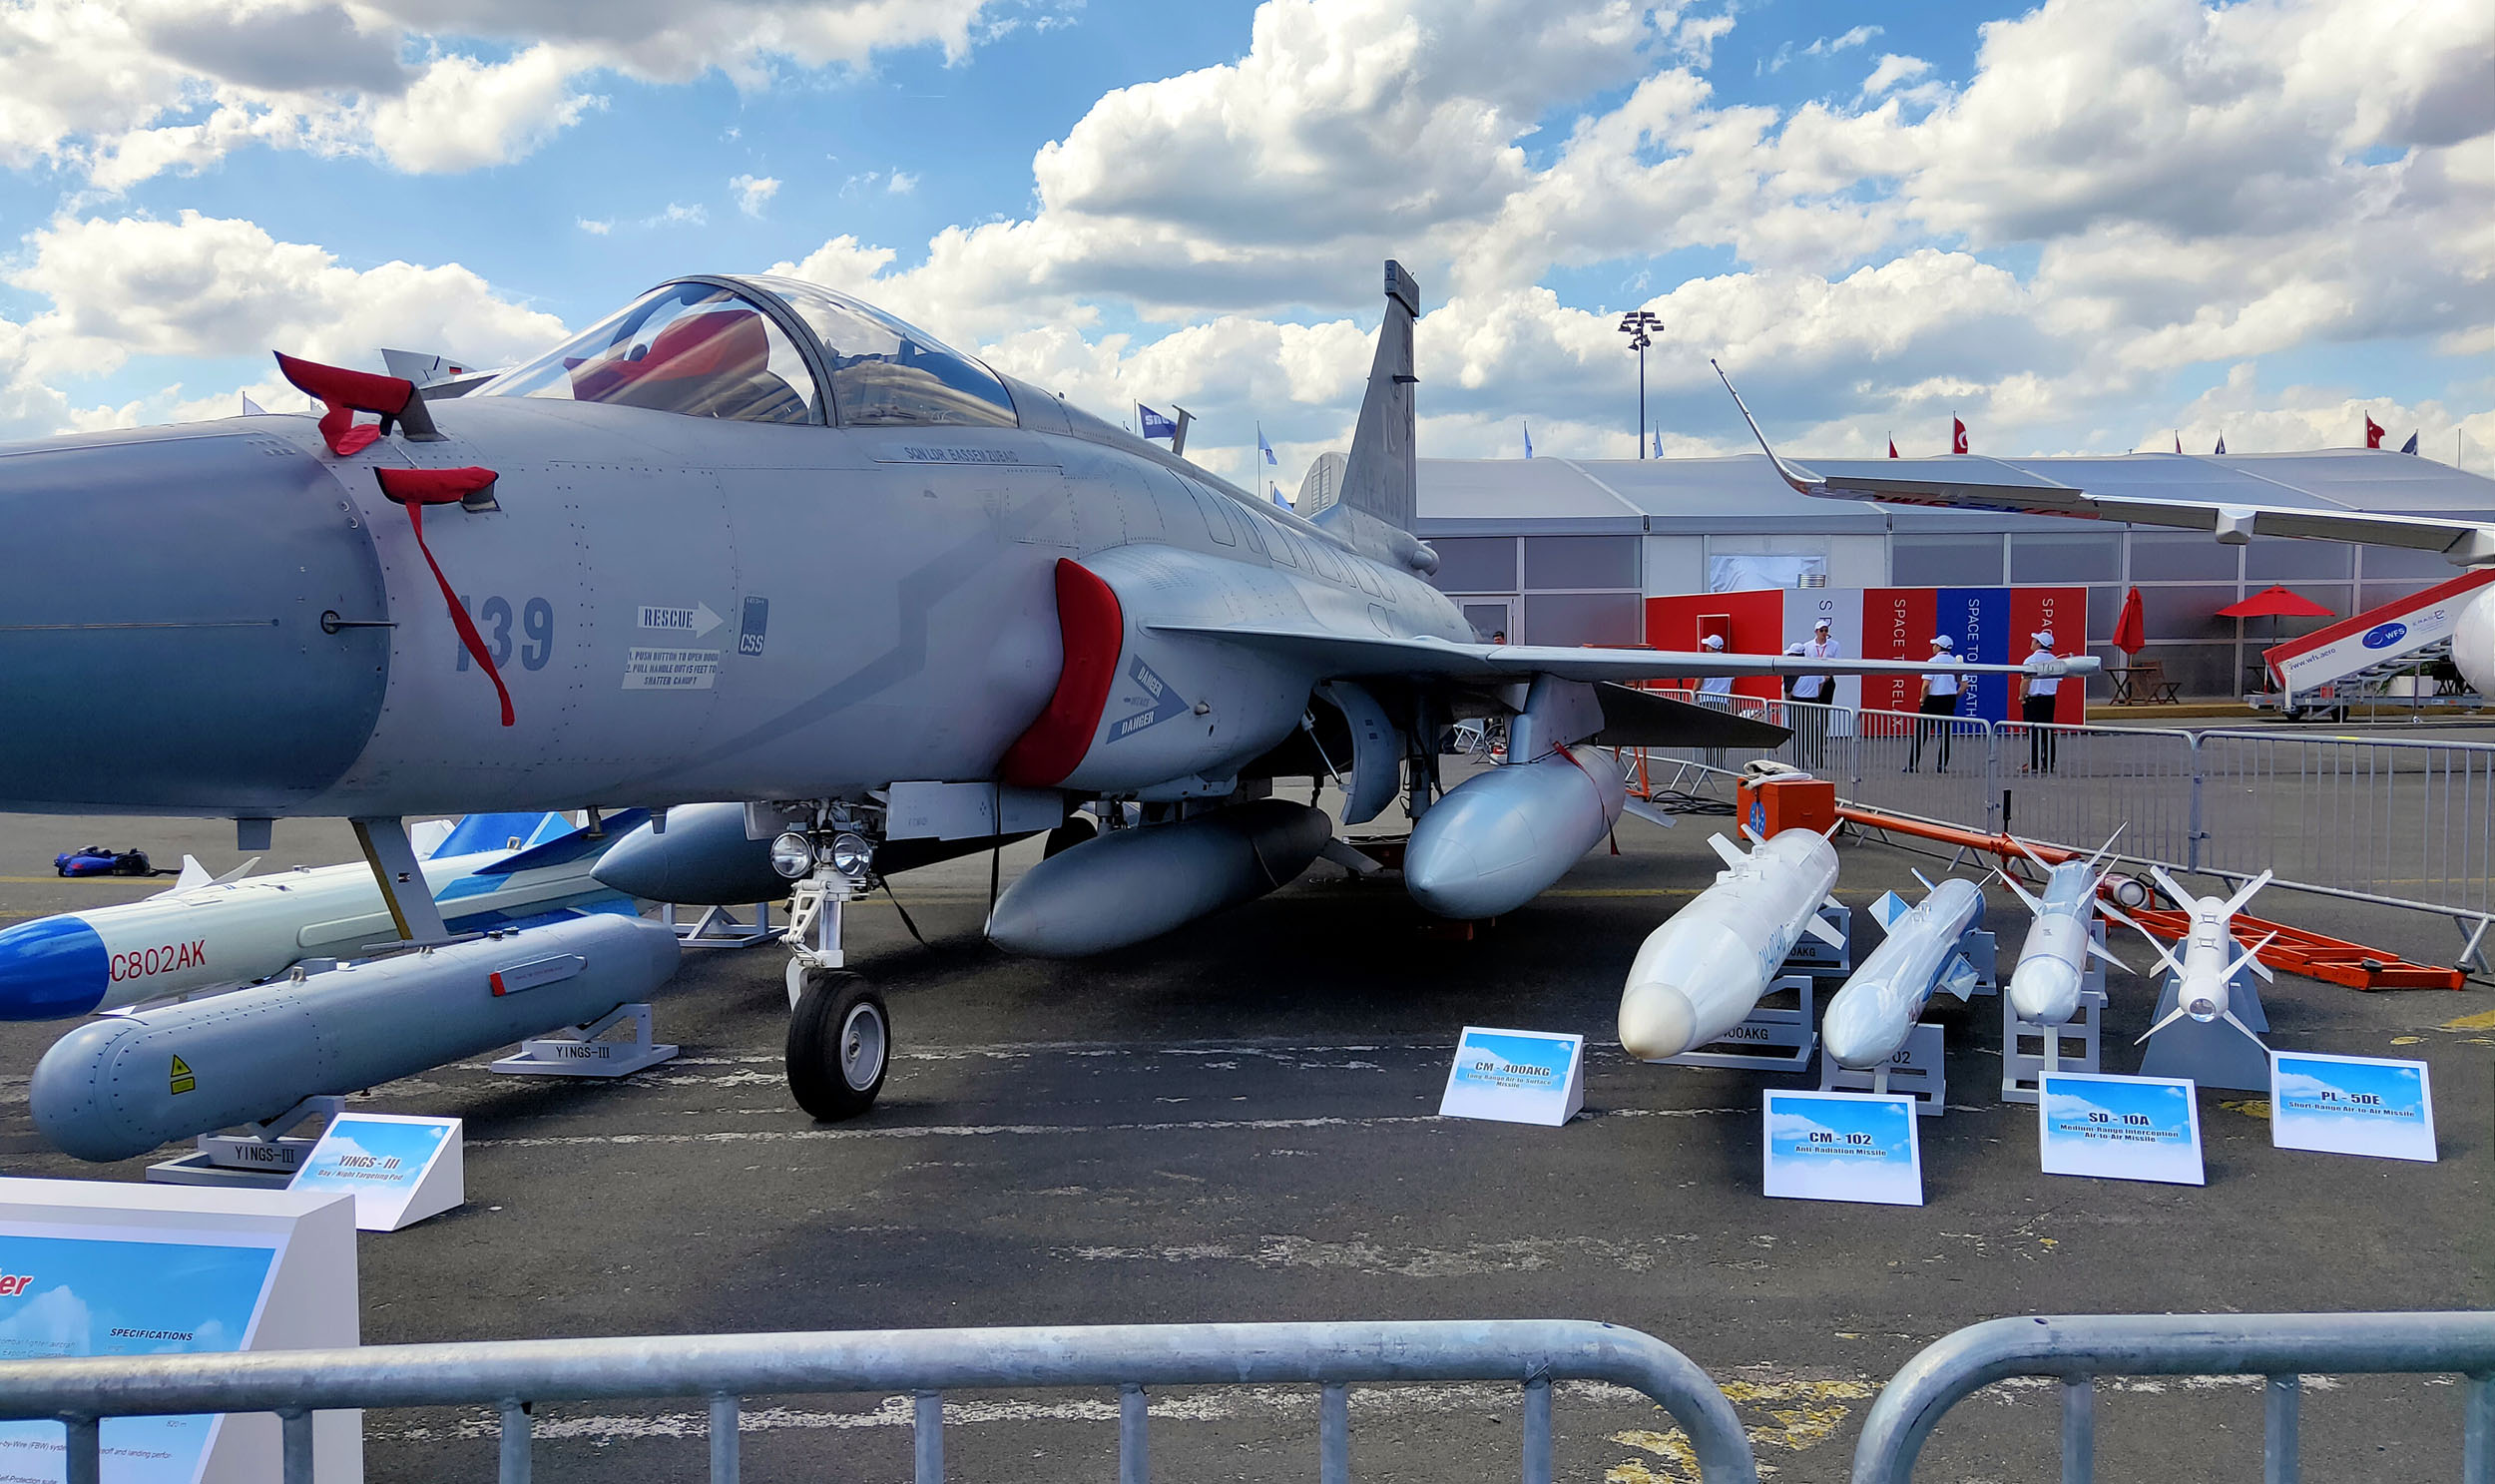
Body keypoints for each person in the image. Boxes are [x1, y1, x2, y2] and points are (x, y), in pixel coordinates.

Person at [1905, 635, 1961, 772]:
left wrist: (1922, 699)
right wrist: (1955, 696)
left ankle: (1913, 765)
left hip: (1932, 700)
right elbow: (1964, 684)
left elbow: (1926, 685)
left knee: (1921, 734)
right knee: (1946, 735)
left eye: (1935, 645)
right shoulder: (1955, 662)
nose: (1933, 647)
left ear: (1939, 647)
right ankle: (1942, 766)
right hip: (1948, 700)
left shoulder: (1932, 661)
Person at [1790, 618, 1838, 769]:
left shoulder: (1834, 645)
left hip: (1826, 681)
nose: (1824, 633)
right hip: (1815, 683)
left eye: (1826, 630)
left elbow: (1837, 663)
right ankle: (1812, 753)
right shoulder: (1807, 646)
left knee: (1824, 713)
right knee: (1810, 722)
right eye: (1821, 630)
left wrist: (1826, 678)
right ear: (1816, 631)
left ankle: (1821, 742)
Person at [2021, 630, 2062, 773]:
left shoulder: (2030, 660)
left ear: (2039, 644)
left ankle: (2033, 763)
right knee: (2048, 731)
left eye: (2034, 640)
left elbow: (2026, 680)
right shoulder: (2056, 661)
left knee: (2033, 731)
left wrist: (2021, 696)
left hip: (2033, 699)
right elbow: (2057, 681)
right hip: (2049, 699)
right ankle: (2048, 763)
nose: (2032, 642)